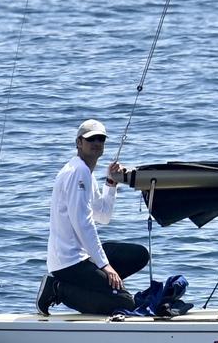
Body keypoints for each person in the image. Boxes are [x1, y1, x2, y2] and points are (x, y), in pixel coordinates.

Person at [38, 119, 148, 316]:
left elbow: (103, 215)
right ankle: (58, 289)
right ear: (79, 142)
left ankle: (98, 287)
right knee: (126, 304)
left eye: (101, 139)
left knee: (139, 254)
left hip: (83, 257)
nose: (97, 143)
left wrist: (111, 183)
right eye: (91, 139)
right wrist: (105, 266)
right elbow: (83, 223)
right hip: (69, 263)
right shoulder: (77, 171)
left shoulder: (86, 173)